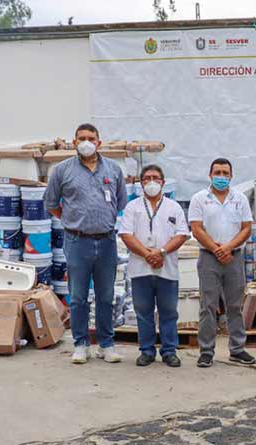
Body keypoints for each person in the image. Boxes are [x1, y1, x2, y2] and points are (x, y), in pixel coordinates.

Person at [44, 123, 127, 364]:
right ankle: (80, 344)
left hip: (107, 241)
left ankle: (106, 344)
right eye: (81, 138)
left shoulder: (113, 169)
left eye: (91, 138)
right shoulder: (62, 170)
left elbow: (120, 202)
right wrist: (72, 221)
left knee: (105, 296)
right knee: (78, 296)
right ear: (74, 142)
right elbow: (51, 203)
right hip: (77, 241)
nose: (86, 142)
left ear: (99, 142)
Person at [119, 165, 190, 367]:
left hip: (167, 267)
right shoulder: (133, 207)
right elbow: (126, 235)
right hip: (140, 268)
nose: (151, 182)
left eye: (156, 178)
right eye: (147, 178)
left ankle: (169, 351)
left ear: (163, 182)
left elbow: (181, 234)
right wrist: (147, 254)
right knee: (143, 312)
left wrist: (161, 252)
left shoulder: (173, 207)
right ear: (141, 183)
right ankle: (147, 350)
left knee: (169, 311)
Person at [188, 158, 256, 368]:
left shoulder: (240, 199)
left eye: (225, 173)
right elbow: (196, 228)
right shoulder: (199, 198)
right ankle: (206, 351)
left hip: (234, 257)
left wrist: (227, 248)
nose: (221, 177)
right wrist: (216, 249)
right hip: (208, 257)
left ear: (231, 176)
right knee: (207, 305)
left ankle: (237, 349)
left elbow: (246, 228)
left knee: (235, 305)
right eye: (217, 173)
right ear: (210, 175)